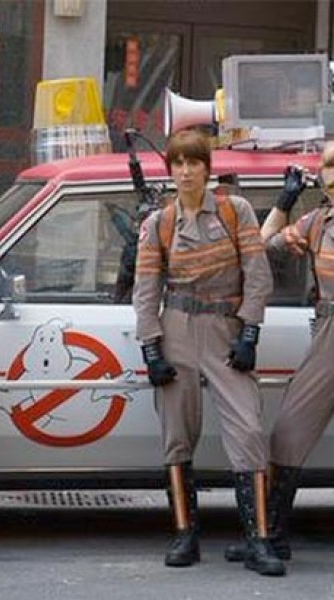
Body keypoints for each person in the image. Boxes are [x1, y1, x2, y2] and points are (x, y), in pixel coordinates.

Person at [132, 128, 285, 576]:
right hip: (177, 327)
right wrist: (151, 347)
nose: (185, 172)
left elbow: (257, 274)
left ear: (206, 168)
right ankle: (185, 534)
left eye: (194, 163)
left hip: (225, 329)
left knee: (249, 430)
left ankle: (258, 540)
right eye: (178, 163)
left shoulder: (235, 210)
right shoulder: (159, 223)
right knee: (176, 432)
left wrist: (250, 331)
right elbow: (146, 290)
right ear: (170, 170)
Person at [228, 145, 334, 562]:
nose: (331, 174)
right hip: (328, 331)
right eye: (327, 166)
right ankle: (270, 531)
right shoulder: (318, 222)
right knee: (289, 431)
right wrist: (285, 201)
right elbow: (262, 245)